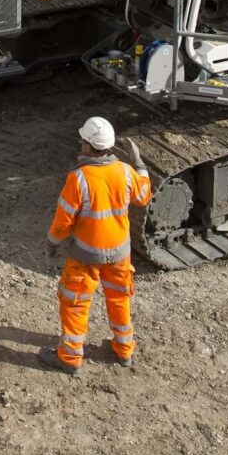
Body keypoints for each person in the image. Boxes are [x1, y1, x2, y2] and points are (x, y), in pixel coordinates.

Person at [44, 116, 152, 374]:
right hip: (119, 254)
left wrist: (52, 242)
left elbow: (64, 220)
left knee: (75, 302)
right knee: (119, 299)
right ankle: (124, 350)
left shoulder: (79, 178)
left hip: (85, 256)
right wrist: (140, 165)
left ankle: (70, 358)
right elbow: (144, 195)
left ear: (88, 146)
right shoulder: (125, 172)